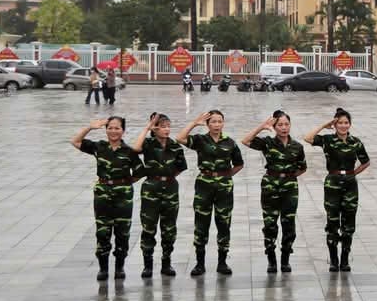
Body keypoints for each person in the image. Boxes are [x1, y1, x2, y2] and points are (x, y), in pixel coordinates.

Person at [71, 117, 144, 281]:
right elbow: (75, 141)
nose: (113, 131)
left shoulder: (129, 151)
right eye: (110, 128)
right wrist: (89, 127)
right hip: (102, 194)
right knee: (102, 231)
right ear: (106, 130)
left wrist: (124, 183)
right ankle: (103, 268)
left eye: (117, 128)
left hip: (123, 196)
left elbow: (140, 172)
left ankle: (119, 267)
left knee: (122, 232)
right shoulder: (99, 147)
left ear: (123, 131)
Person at [176, 109, 244, 276]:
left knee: (223, 222)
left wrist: (225, 176)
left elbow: (239, 164)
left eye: (219, 121)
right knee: (201, 223)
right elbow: (180, 138)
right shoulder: (200, 140)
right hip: (204, 185)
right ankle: (200, 263)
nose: (216, 125)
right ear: (207, 124)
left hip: (224, 187)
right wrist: (194, 123)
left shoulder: (230, 142)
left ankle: (222, 262)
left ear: (223, 123)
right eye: (213, 121)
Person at [304, 107, 370, 272]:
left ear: (350, 124)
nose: (343, 125)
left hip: (350, 184)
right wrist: (325, 124)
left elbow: (366, 162)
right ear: (335, 124)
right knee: (332, 222)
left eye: (346, 122)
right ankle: (333, 259)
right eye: (339, 123)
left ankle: (345, 259)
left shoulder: (356, 142)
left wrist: (353, 174)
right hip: (332, 182)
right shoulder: (327, 140)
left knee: (349, 223)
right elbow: (307, 138)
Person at [242, 110, 307, 274]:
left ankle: (285, 259)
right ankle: (271, 259)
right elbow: (245, 140)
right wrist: (262, 127)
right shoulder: (267, 143)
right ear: (274, 126)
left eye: (286, 124)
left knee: (288, 224)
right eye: (280, 125)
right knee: (270, 224)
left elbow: (302, 167)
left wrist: (288, 178)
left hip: (290, 188)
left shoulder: (297, 146)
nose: (284, 128)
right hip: (270, 187)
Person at [130, 113, 188, 278]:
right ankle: (147, 264)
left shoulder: (175, 147)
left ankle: (166, 262)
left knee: (169, 228)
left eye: (168, 126)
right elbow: (135, 149)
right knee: (148, 227)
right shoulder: (148, 143)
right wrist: (147, 128)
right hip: (151, 188)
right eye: (162, 126)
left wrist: (166, 177)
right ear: (154, 128)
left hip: (170, 188)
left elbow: (180, 167)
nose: (166, 129)